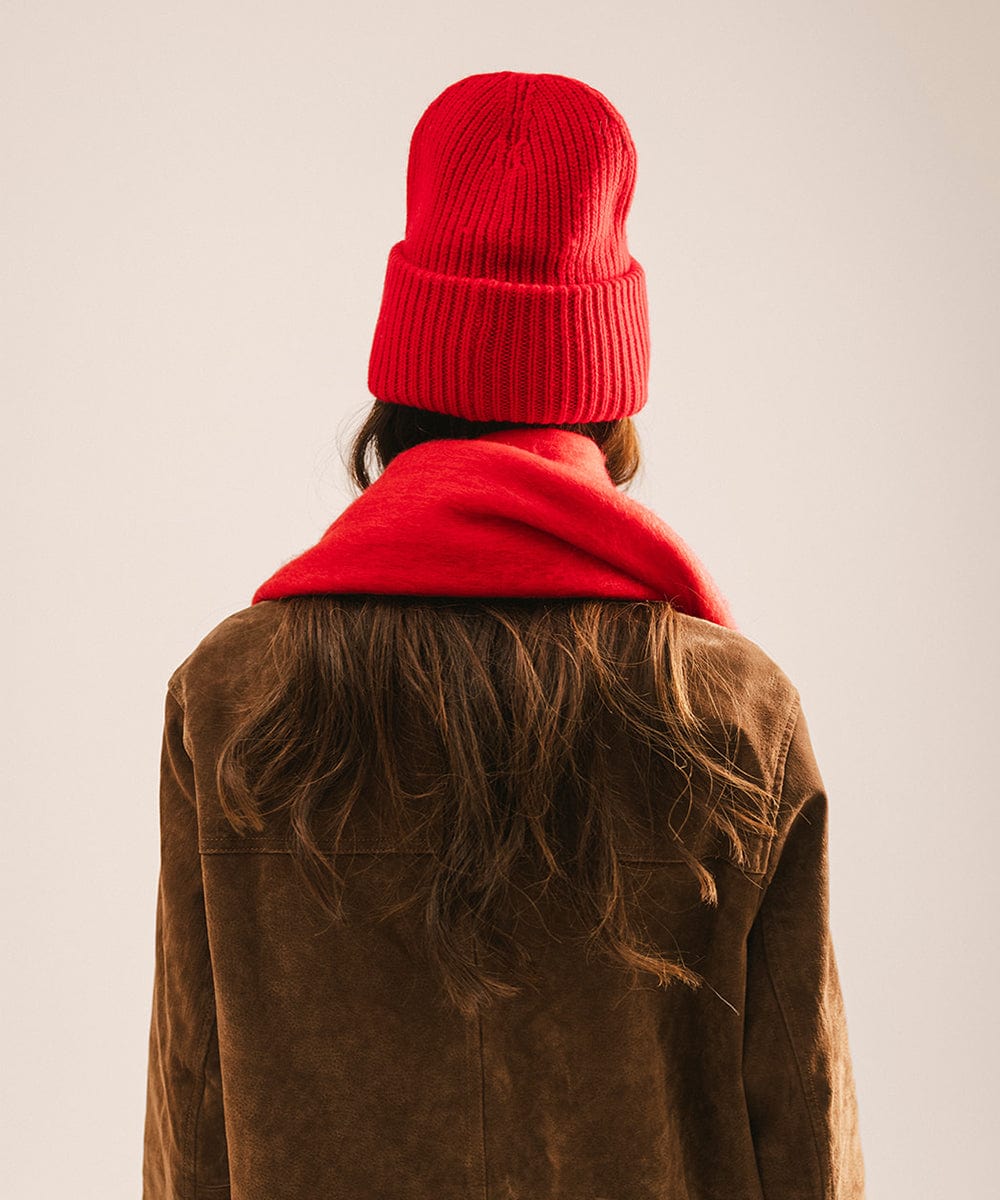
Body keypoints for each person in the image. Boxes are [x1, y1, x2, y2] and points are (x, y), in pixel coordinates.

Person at [142, 70, 866, 1199]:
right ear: (604, 387)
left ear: (404, 376)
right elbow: (800, 1122)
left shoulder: (234, 696)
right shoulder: (733, 715)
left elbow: (192, 1105)